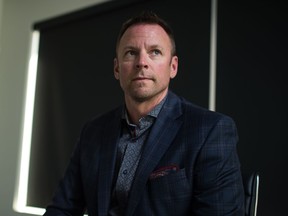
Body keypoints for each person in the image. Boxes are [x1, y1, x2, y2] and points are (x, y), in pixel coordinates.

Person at [43, 10, 245, 216]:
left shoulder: (210, 130)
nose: (142, 62)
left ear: (172, 67)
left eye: (155, 52)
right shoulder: (93, 132)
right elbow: (62, 209)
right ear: (116, 69)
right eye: (131, 52)